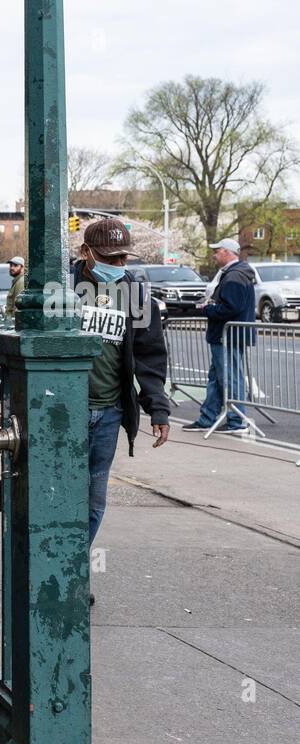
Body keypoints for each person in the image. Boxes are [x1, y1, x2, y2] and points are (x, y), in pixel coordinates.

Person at [71, 218, 171, 603]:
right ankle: (59, 571)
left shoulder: (135, 294)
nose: (118, 264)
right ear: (86, 254)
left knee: (94, 501)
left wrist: (157, 410)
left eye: (123, 257)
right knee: (57, 493)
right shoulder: (61, 288)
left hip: (109, 411)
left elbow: (149, 355)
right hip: (67, 409)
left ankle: (72, 569)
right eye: (109, 257)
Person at [184, 238, 256, 434]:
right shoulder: (238, 274)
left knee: (229, 378)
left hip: (227, 336)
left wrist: (208, 309)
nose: (214, 255)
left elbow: (231, 308)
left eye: (217, 251)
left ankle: (236, 421)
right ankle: (209, 418)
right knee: (218, 378)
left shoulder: (234, 276)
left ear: (226, 252)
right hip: (229, 335)